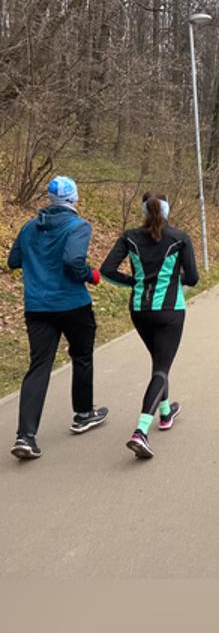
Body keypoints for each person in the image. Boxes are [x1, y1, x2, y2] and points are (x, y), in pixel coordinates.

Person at [7, 176, 108, 459]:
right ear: (73, 198)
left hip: (37, 306)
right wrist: (91, 275)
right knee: (82, 356)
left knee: (39, 366)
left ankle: (25, 436)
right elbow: (73, 261)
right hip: (72, 304)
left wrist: (38, 261)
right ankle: (83, 414)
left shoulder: (29, 227)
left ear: (49, 198)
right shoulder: (78, 226)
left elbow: (13, 261)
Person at [101, 191, 198, 459]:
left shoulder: (129, 237)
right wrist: (175, 278)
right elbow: (193, 278)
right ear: (167, 210)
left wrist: (133, 283)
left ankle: (165, 413)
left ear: (144, 210)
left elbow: (107, 270)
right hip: (169, 311)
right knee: (162, 368)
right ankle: (140, 431)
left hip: (139, 311)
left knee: (158, 364)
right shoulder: (180, 238)